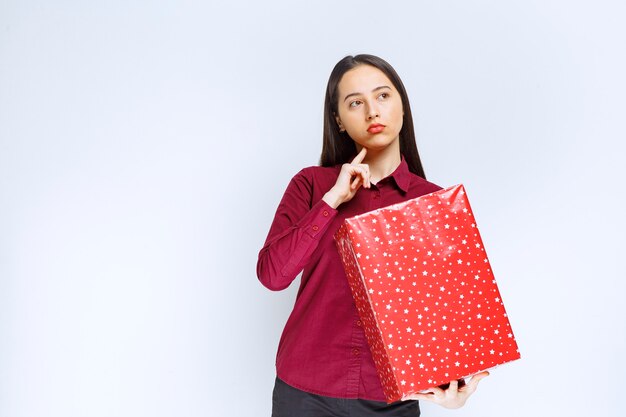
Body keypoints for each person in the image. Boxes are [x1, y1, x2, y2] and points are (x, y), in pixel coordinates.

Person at [257, 54, 489, 417]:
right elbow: (273, 276)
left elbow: (447, 316)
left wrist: (454, 389)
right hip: (304, 394)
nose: (371, 112)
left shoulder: (435, 202)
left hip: (392, 401)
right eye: (355, 103)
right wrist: (332, 200)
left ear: (402, 106)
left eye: (383, 96)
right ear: (339, 120)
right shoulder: (311, 185)